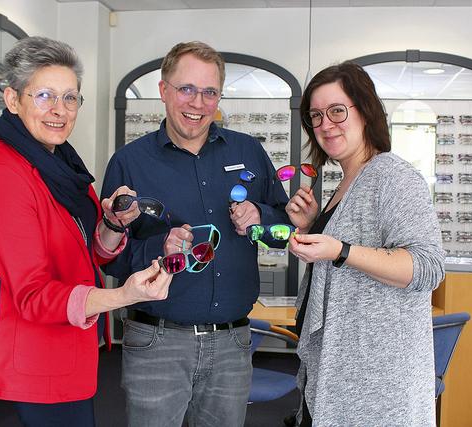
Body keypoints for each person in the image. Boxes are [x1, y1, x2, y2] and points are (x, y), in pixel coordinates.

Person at [0, 36, 173, 427]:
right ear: (12, 100)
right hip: (35, 360)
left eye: (70, 97)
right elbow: (33, 295)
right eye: (44, 96)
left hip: (71, 349)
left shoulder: (61, 168)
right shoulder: (0, 176)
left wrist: (111, 225)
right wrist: (122, 295)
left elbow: (87, 255)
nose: (60, 111)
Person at [101, 41, 289, 426]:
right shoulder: (129, 162)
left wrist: (262, 217)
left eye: (209, 92)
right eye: (187, 88)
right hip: (157, 342)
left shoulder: (249, 151)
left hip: (234, 342)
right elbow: (113, 259)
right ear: (163, 90)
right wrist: (159, 247)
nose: (198, 103)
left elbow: (282, 230)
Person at [286, 62, 445, 426]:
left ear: (366, 111)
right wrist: (313, 226)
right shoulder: (347, 181)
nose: (326, 124)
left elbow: (427, 267)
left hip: (375, 384)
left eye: (337, 111)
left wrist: (339, 250)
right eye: (316, 116)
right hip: (342, 369)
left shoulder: (392, 176)